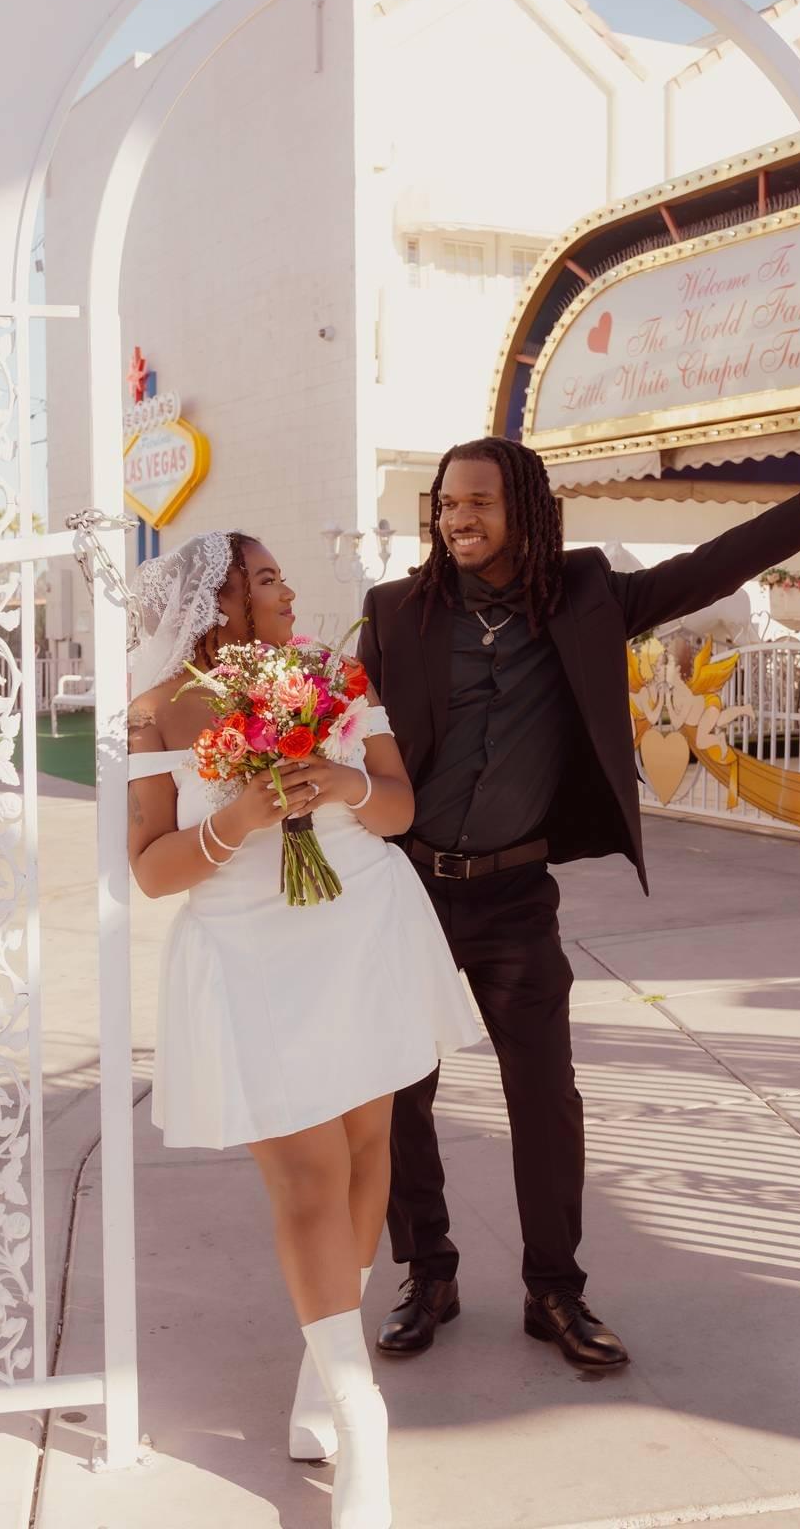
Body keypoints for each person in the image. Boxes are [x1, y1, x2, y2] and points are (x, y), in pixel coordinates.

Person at [359, 430, 800, 1370]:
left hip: (517, 893)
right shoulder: (395, 610)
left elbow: (704, 569)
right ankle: (427, 1273)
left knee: (546, 1097)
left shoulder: (583, 594)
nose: (458, 520)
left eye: (478, 503)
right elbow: (347, 731)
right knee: (402, 1089)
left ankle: (553, 1292)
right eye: (447, 504)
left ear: (522, 510)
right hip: (408, 891)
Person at [126, 531, 478, 1529]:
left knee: (369, 1149)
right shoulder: (154, 712)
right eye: (268, 577)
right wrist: (235, 820)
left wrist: (338, 786)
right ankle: (360, 1412)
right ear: (218, 601)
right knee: (308, 1173)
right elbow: (149, 870)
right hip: (246, 955)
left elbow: (400, 807)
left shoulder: (329, 673)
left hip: (358, 925)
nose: (288, 591)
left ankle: (322, 1373)